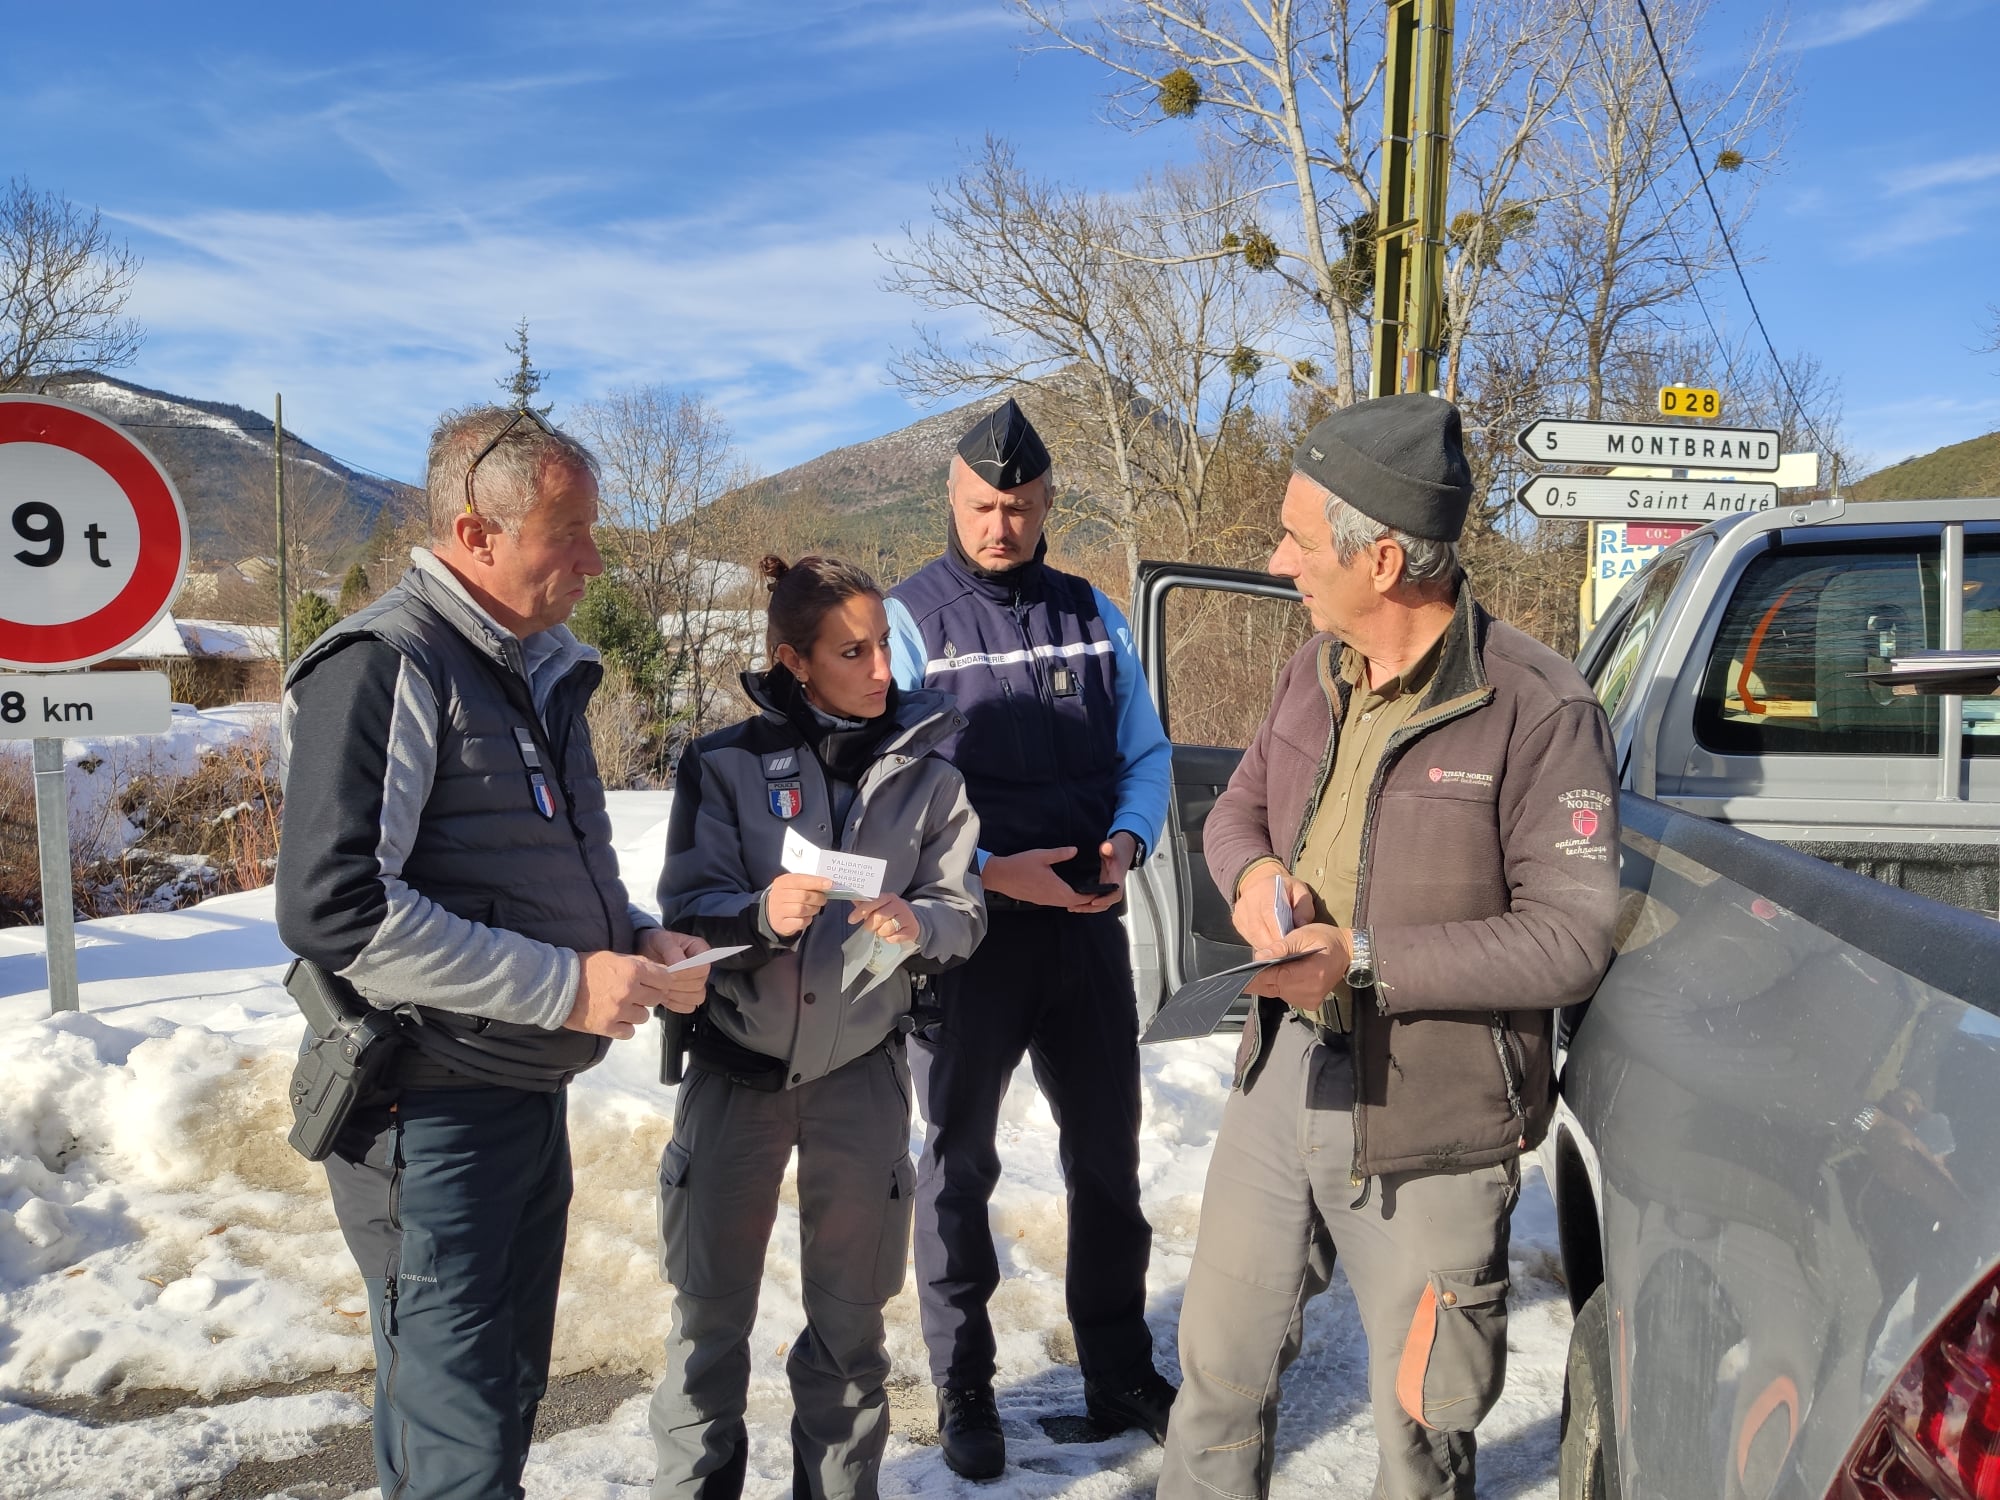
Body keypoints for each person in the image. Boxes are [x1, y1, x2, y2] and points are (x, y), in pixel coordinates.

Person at [1157, 393, 1621, 1500]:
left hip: (1434, 1128)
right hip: (1282, 1081)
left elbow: (1570, 937)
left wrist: (1360, 957)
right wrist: (1256, 876)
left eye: (1298, 540)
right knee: (1215, 1381)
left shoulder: (1538, 707)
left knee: (1421, 1435)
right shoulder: (1310, 672)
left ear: (1379, 558)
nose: (1278, 562)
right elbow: (1233, 814)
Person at [275, 404, 714, 1500]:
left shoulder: (537, 666)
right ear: (476, 534)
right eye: (568, 534)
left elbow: (565, 851)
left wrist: (631, 940)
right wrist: (568, 984)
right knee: (457, 1437)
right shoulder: (384, 665)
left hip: (520, 1092)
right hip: (425, 1116)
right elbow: (337, 912)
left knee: (495, 1400)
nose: (593, 561)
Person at [650, 555, 987, 1500]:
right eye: (854, 652)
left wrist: (924, 923)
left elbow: (963, 911)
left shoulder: (930, 770)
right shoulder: (722, 763)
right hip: (737, 1079)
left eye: (885, 645)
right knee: (707, 1330)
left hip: (860, 1084)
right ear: (794, 660)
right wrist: (761, 913)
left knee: (851, 1336)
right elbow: (684, 910)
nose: (883, 669)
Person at [884, 398, 1177, 1479]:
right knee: (955, 1165)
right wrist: (981, 873)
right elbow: (888, 790)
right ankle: (964, 1383)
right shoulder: (907, 621)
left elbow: (1143, 754)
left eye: (1014, 506)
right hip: (969, 939)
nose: (996, 525)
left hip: (1087, 935)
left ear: (1047, 502)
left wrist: (1126, 841)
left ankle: (1119, 1367)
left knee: (1107, 1159)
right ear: (948, 501)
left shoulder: (1095, 612)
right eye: (977, 506)